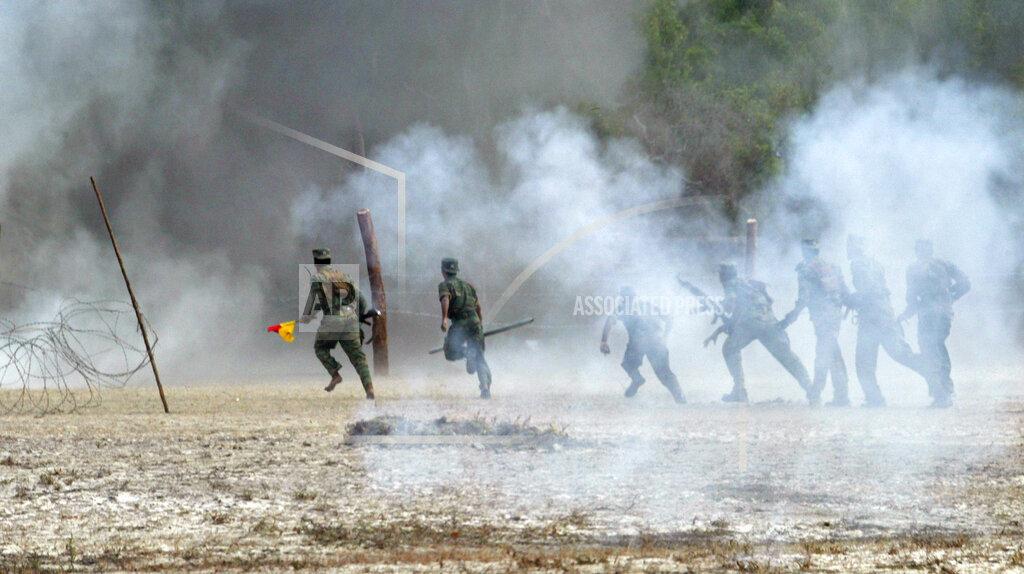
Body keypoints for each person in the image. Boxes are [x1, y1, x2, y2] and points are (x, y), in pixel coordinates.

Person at [705, 263, 816, 404]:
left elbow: (731, 301)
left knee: (729, 349)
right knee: (787, 357)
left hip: (751, 324)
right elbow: (743, 311)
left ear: (723, 276)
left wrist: (720, 307)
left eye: (720, 275)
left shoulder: (730, 284)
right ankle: (811, 389)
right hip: (769, 323)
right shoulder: (747, 284)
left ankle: (739, 390)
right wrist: (720, 329)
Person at [844, 235, 929, 407]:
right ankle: (934, 374)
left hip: (872, 318)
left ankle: (875, 399)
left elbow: (868, 289)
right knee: (901, 354)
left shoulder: (858, 264)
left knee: (864, 361)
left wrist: (849, 299)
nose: (847, 249)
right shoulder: (874, 263)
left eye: (849, 246)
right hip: (884, 314)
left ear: (855, 248)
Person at [899, 239, 970, 408]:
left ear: (917, 251)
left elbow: (912, 299)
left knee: (930, 351)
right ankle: (947, 390)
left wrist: (904, 315)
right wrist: (950, 297)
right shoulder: (944, 264)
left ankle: (942, 395)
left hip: (928, 316)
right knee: (938, 348)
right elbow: (966, 283)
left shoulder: (913, 269)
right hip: (944, 314)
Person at [779, 239, 850, 406]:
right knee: (832, 353)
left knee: (824, 353)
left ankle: (817, 393)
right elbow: (845, 292)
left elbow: (804, 298)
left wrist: (789, 319)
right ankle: (840, 395)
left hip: (822, 318)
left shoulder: (805, 269)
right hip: (834, 316)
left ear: (804, 251)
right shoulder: (832, 266)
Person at [300, 247, 374, 399]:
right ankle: (369, 389)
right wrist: (358, 319)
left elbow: (313, 301)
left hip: (332, 321)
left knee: (320, 349)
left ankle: (335, 374)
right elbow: (362, 300)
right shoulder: (344, 276)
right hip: (350, 320)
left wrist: (307, 316)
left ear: (316, 263)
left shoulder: (317, 278)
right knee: (358, 358)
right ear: (329, 260)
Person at [600, 286, 686, 404]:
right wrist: (664, 337)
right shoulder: (643, 306)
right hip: (650, 343)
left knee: (633, 365)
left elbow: (609, 321)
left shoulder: (625, 308)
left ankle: (637, 379)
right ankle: (680, 398)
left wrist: (604, 341)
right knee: (662, 373)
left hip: (643, 343)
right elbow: (669, 319)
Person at [438, 258, 493, 399]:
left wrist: (444, 319)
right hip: (475, 322)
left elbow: (445, 299)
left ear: (443, 271)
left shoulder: (445, 285)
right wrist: (479, 326)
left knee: (449, 351)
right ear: (456, 270)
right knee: (479, 356)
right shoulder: (468, 286)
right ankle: (485, 388)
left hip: (460, 324)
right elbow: (478, 307)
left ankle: (466, 352)